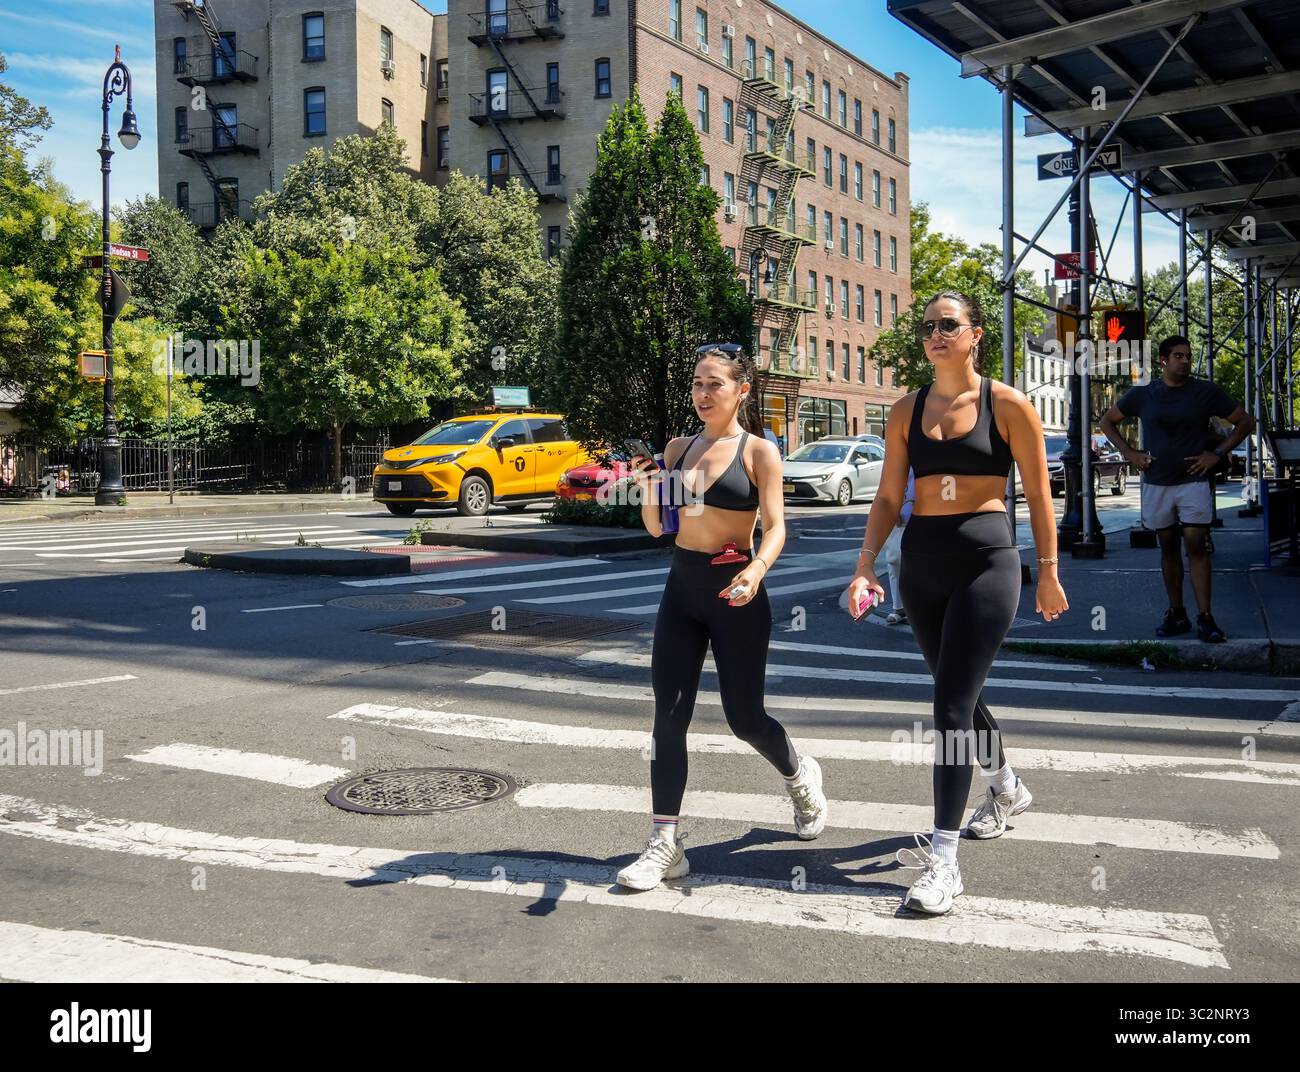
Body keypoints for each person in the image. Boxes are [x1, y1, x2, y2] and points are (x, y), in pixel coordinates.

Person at [848, 291, 1067, 915]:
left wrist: (1047, 572)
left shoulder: (1007, 405)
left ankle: (943, 861)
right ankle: (1006, 786)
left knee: (947, 705)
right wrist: (866, 564)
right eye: (928, 327)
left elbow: (1041, 496)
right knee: (959, 693)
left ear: (974, 335)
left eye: (949, 325)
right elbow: (890, 498)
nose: (936, 335)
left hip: (987, 562)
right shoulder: (904, 410)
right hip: (922, 564)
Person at [619, 343, 828, 891]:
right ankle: (666, 843)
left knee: (745, 719)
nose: (703, 394)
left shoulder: (759, 452)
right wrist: (648, 487)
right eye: (696, 383)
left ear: (741, 390)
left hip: (737, 592)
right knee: (669, 715)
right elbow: (658, 528)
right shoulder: (677, 449)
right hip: (682, 590)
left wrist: (757, 570)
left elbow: (778, 527)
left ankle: (799, 776)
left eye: (715, 383)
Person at [1099, 335, 1253, 644]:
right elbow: (1107, 421)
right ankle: (1176, 612)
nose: (1185, 360)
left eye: (1188, 355)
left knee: (1196, 545)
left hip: (1193, 482)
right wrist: (1130, 454)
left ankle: (1206, 617)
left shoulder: (1205, 392)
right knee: (1168, 548)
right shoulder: (1144, 394)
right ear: (1163, 361)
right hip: (1157, 483)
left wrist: (1217, 454)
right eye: (1178, 356)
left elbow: (1245, 422)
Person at [879, 466, 915, 625]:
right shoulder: (900, 455)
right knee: (894, 561)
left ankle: (916, 609)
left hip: (923, 516)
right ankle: (898, 607)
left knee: (919, 566)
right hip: (901, 517)